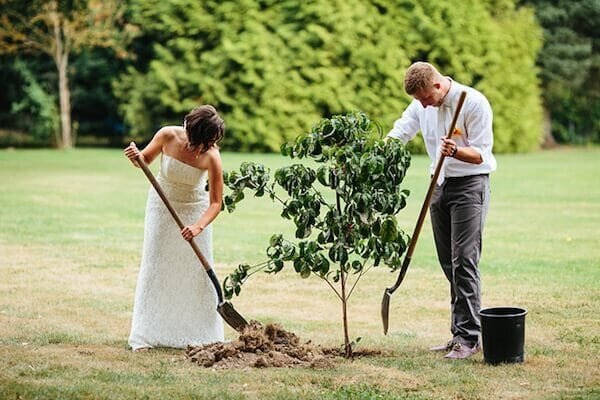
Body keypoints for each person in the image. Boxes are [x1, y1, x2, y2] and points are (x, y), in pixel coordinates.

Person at [387, 62, 496, 359]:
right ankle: (458, 334)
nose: (422, 105)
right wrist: (380, 152)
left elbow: (483, 153)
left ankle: (470, 339)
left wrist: (456, 150)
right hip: (439, 185)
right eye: (418, 101)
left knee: (464, 260)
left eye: (425, 98)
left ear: (437, 85)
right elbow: (401, 131)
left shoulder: (473, 103)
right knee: (449, 262)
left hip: (470, 186)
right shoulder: (422, 104)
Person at [124, 104, 226, 351]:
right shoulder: (167, 135)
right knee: (156, 265)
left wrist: (198, 227)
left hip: (194, 212)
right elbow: (145, 161)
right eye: (199, 140)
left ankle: (199, 333)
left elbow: (216, 203)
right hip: (161, 206)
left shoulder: (212, 156)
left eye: (208, 142)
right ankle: (147, 333)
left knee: (194, 274)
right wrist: (136, 157)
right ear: (189, 127)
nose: (201, 147)